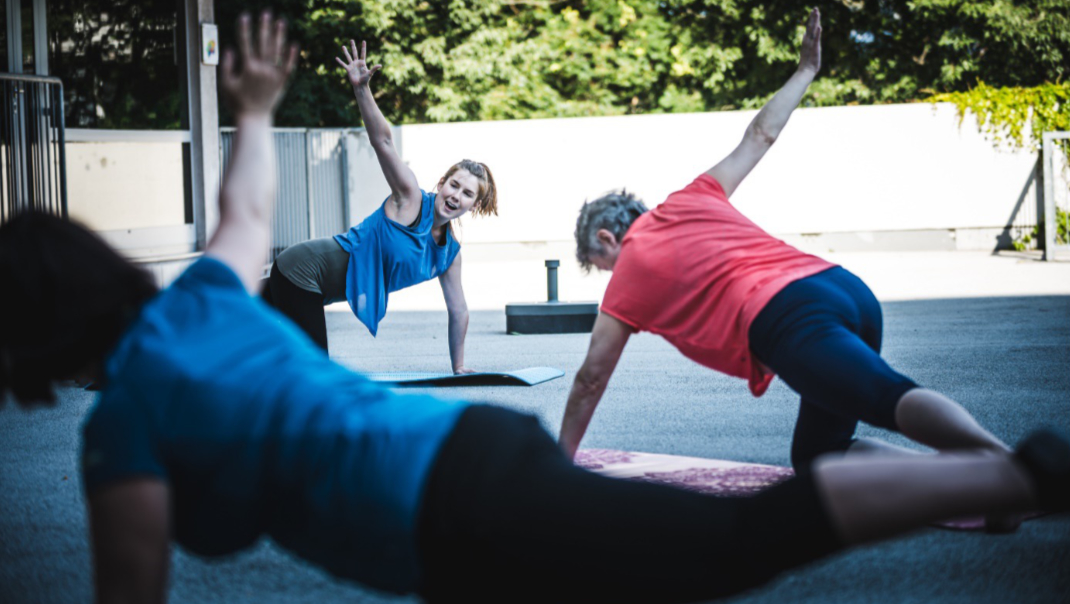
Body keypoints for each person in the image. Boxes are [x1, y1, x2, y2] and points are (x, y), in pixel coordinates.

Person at [1, 10, 1067, 604]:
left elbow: (129, 590)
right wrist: (257, 106)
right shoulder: (196, 299)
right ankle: (1004, 469)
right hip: (459, 445)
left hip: (458, 501)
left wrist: (552, 436)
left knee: (732, 545)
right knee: (773, 499)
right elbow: (244, 211)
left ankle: (1013, 470)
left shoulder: (119, 429)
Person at [558, 9, 1013, 481]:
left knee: (883, 395)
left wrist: (558, 466)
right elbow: (761, 135)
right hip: (844, 288)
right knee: (821, 457)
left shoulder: (629, 270)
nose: (612, 276)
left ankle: (1019, 469)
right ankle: (972, 476)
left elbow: (592, 378)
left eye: (602, 264)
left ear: (608, 238)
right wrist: (805, 71)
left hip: (788, 315)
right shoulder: (693, 196)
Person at [262, 39, 497, 372]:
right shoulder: (411, 199)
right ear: (442, 183)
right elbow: (383, 141)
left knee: (227, 334)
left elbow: (458, 310)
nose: (456, 195)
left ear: (474, 206)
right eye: (454, 184)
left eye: (467, 194)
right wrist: (361, 89)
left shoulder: (449, 254)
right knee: (315, 373)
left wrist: (458, 367)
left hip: (307, 283)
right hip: (301, 271)